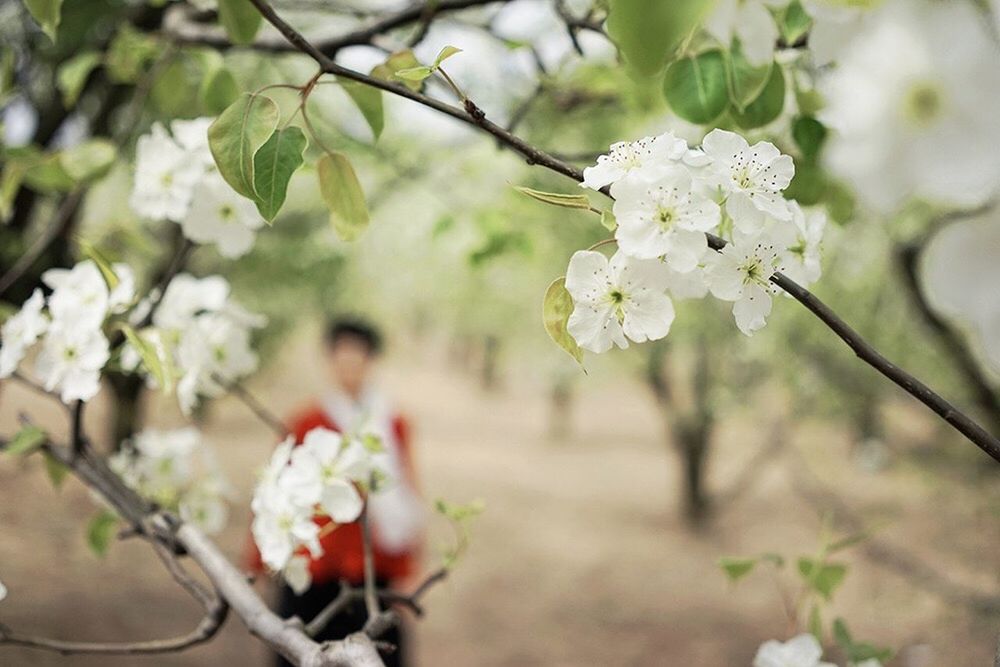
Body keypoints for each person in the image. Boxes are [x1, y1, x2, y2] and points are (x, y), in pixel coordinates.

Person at [247, 317, 424, 667]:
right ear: (329, 361)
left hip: (372, 571)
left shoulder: (390, 423)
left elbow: (405, 488)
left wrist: (412, 558)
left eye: (357, 358)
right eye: (341, 358)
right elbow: (280, 493)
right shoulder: (307, 421)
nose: (349, 368)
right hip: (316, 569)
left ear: (370, 361)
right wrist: (264, 559)